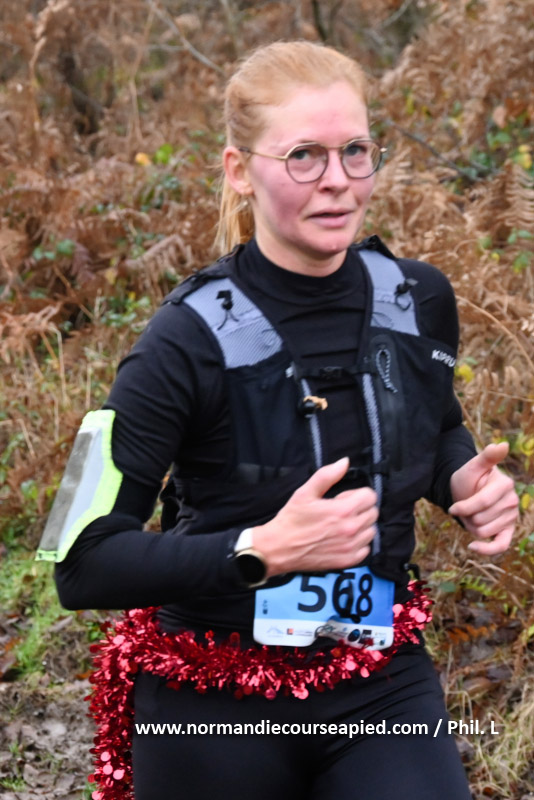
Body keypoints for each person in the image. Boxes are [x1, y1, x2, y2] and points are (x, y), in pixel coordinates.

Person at [39, 40, 519, 800]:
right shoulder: (179, 341)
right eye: (303, 156)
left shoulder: (417, 297)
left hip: (375, 677)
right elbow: (80, 562)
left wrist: (461, 478)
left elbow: (430, 426)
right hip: (211, 693)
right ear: (240, 170)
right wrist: (259, 550)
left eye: (355, 151)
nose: (337, 180)